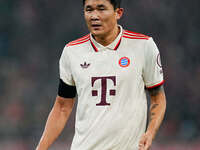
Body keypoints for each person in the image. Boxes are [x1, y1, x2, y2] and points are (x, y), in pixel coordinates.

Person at [36, 0, 166, 150]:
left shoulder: (144, 46)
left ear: (118, 13)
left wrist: (150, 133)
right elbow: (62, 107)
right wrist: (41, 148)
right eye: (89, 10)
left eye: (101, 9)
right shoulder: (72, 52)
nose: (94, 16)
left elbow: (158, 97)